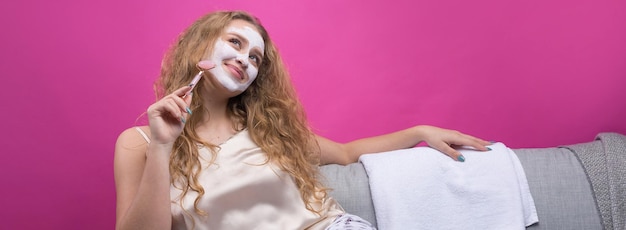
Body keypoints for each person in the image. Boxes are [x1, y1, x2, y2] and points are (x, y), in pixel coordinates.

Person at [114, 10, 491, 230]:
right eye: (235, 43)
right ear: (199, 48)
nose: (246, 59)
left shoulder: (267, 132)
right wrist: (164, 146)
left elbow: (346, 153)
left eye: (256, 58)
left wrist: (420, 131)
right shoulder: (139, 142)